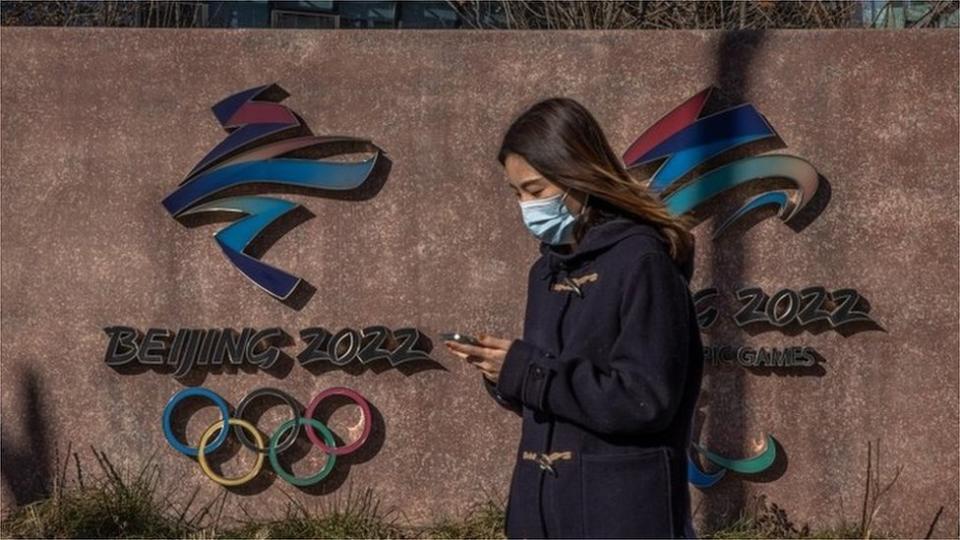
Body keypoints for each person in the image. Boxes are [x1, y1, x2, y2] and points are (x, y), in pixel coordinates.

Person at [443, 97, 704, 539]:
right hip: (542, 515)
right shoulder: (546, 271)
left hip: (620, 516)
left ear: (577, 177)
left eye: (536, 190)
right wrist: (503, 373)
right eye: (517, 193)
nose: (526, 206)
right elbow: (558, 390)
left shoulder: (643, 261)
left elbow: (646, 400)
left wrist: (528, 372)